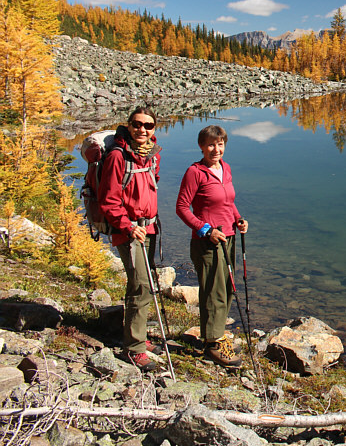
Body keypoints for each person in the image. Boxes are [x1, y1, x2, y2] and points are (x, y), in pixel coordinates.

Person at [175, 125, 248, 368]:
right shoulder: (195, 172)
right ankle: (212, 343)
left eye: (220, 144)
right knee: (213, 291)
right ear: (201, 146)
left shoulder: (224, 169)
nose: (215, 149)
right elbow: (182, 208)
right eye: (210, 145)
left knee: (227, 287)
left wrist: (238, 219)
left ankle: (218, 334)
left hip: (228, 237)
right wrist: (205, 229)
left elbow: (228, 202)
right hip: (208, 242)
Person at [98, 106, 163, 372]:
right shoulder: (118, 156)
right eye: (137, 125)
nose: (142, 130)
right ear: (129, 125)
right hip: (128, 231)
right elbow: (108, 201)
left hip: (148, 229)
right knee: (139, 286)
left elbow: (151, 183)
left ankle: (137, 335)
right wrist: (127, 225)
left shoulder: (151, 155)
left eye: (148, 126)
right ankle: (134, 348)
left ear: (154, 129)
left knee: (145, 284)